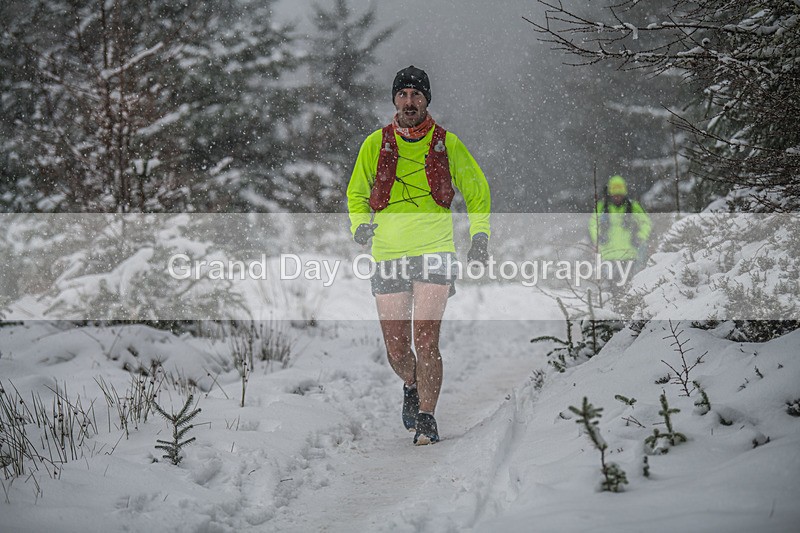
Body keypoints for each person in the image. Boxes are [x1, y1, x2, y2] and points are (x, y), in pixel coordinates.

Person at [347, 65, 491, 445]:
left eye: (417, 95)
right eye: (403, 95)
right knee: (397, 349)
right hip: (389, 252)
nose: (410, 102)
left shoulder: (448, 143)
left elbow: (477, 192)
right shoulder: (375, 144)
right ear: (394, 99)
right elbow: (356, 194)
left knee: (426, 340)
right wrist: (359, 225)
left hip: (435, 251)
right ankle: (410, 383)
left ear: (427, 100)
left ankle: (427, 416)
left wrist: (480, 236)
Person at [589, 174, 652, 286]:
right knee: (612, 285)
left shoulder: (633, 206)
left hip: (629, 253)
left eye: (620, 195)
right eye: (615, 195)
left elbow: (646, 223)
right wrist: (598, 238)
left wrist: (640, 237)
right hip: (608, 254)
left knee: (626, 283)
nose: (617, 197)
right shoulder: (602, 207)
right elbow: (593, 224)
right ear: (610, 194)